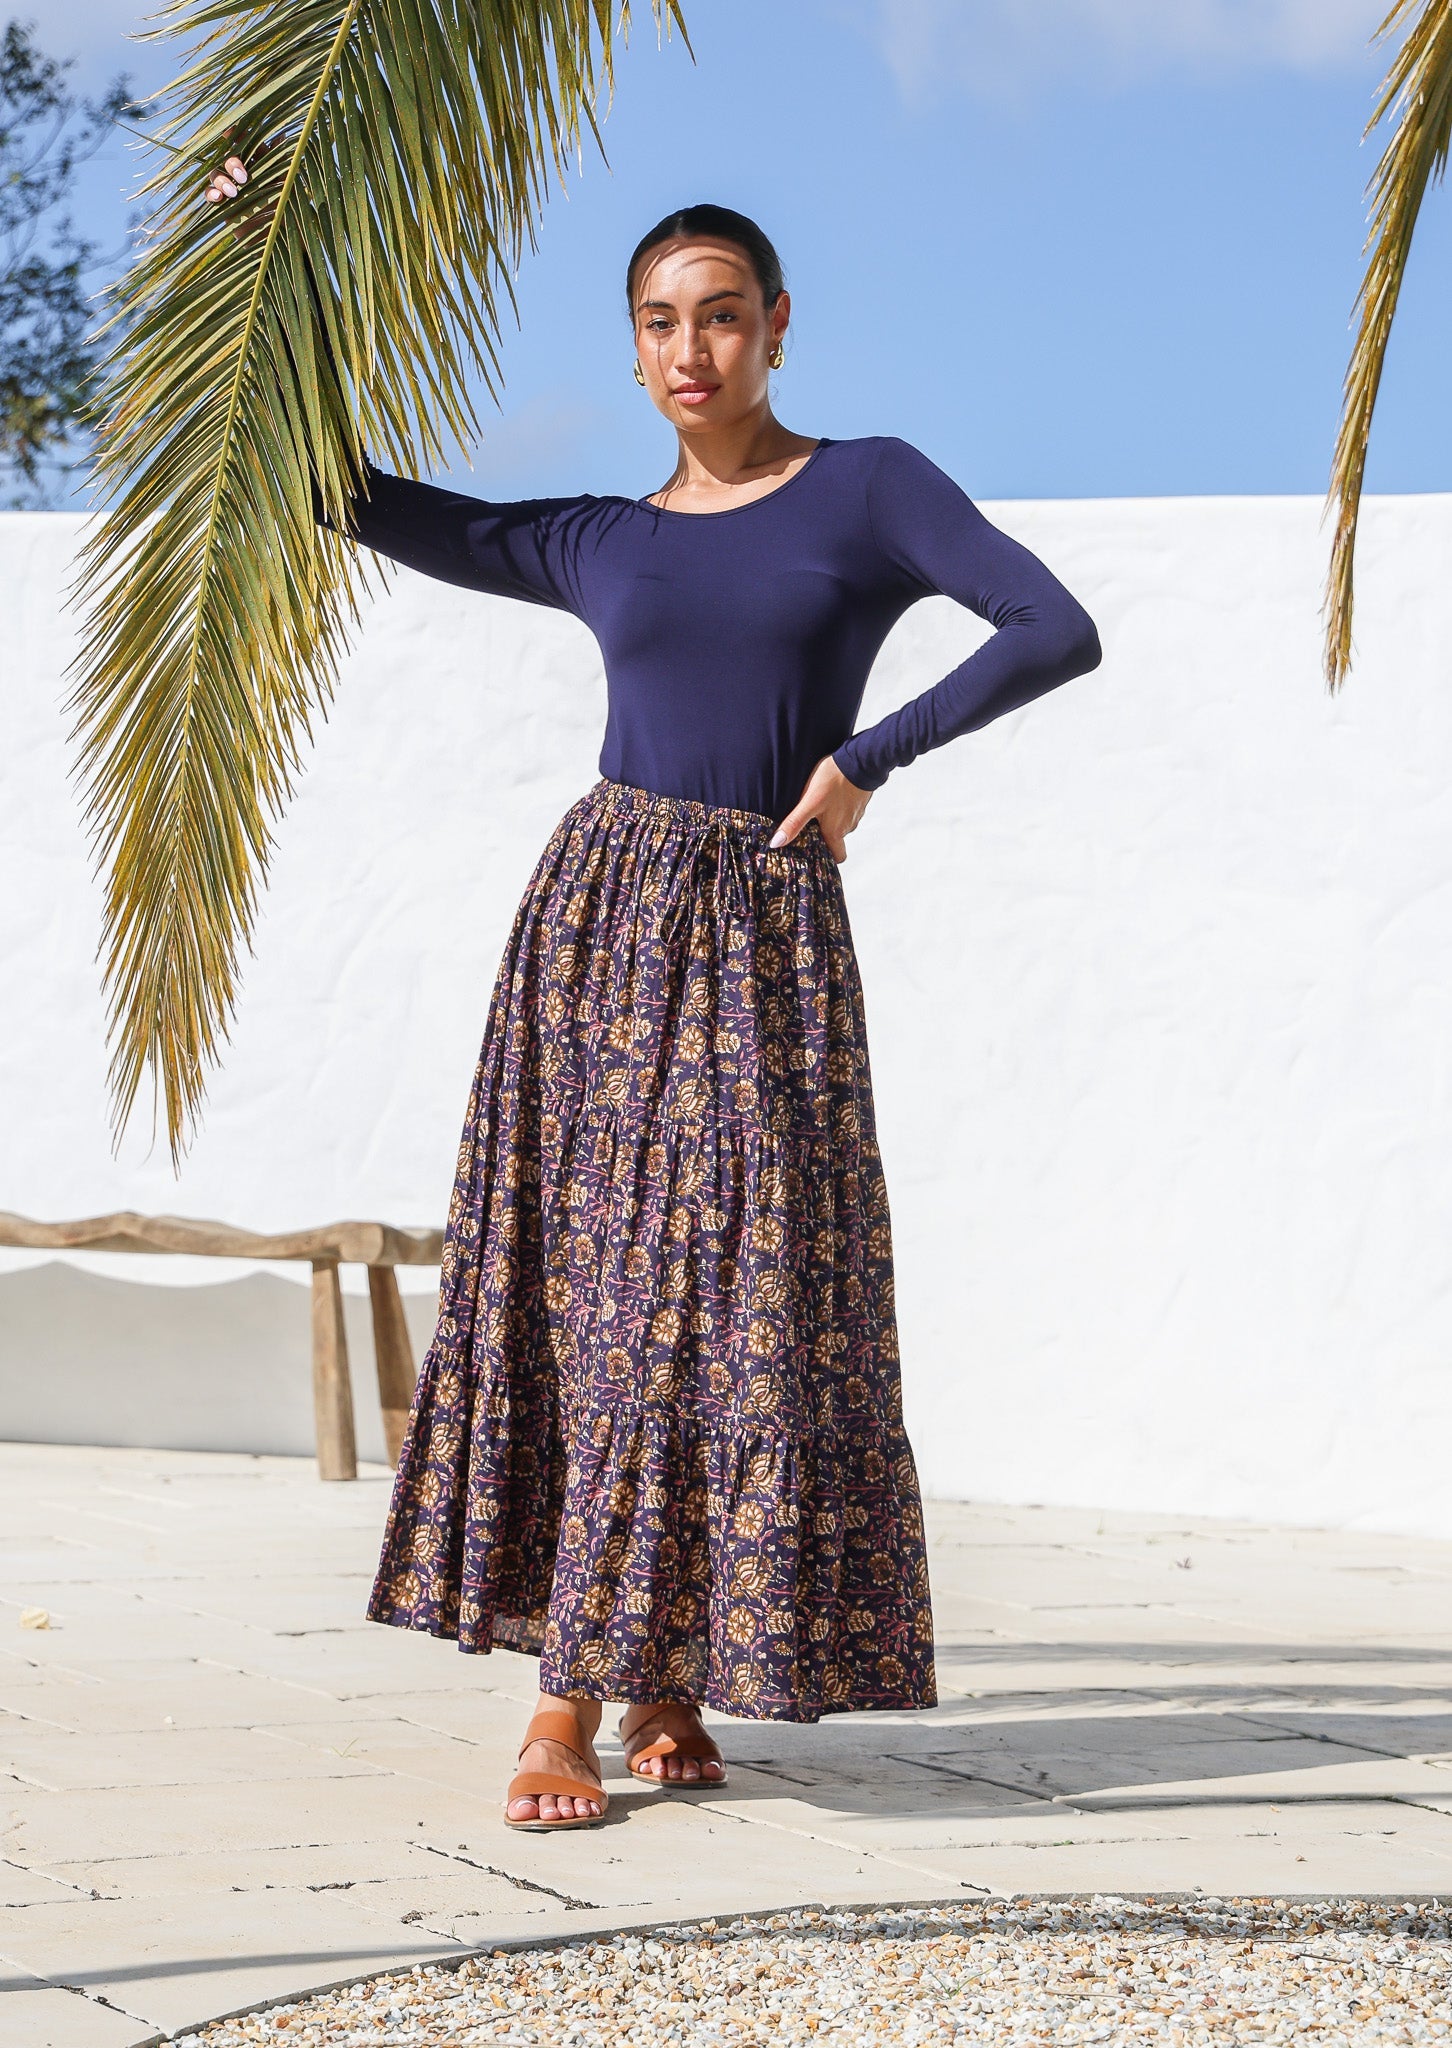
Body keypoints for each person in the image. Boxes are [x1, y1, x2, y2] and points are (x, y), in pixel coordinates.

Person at [205, 152, 1104, 1832]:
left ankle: (667, 1669)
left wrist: (866, 760)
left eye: (722, 316)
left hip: (764, 938)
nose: (693, 350)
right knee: (598, 1301)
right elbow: (348, 490)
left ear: (777, 326)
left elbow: (1050, 627)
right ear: (632, 349)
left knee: (731, 1303)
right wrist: (267, 250)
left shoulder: (869, 488)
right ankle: (577, 1695)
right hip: (597, 938)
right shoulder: (598, 541)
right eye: (659, 323)